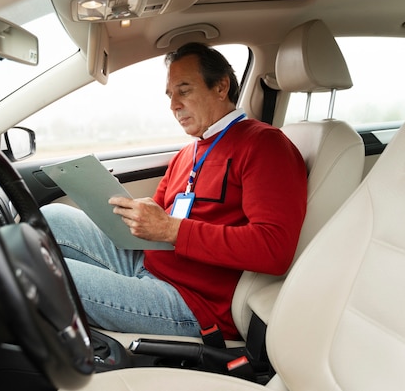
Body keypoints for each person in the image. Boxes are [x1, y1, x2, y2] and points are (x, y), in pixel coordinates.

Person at [41, 42, 307, 340]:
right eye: (170, 95)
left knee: (43, 275)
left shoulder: (265, 146)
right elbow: (159, 221)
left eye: (184, 90)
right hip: (148, 262)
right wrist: (132, 214)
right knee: (49, 217)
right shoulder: (186, 154)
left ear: (221, 87)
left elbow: (274, 249)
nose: (173, 105)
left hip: (192, 301)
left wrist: (171, 229)